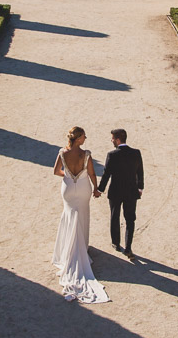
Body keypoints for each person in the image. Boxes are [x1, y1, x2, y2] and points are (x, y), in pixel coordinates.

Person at [51, 126, 109, 303]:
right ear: (77, 139)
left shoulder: (62, 153)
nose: (86, 138)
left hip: (68, 189)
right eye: (84, 136)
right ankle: (81, 247)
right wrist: (97, 190)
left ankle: (66, 249)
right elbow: (91, 174)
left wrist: (68, 175)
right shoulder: (86, 155)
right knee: (82, 216)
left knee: (69, 216)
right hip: (83, 188)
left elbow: (56, 171)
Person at [95, 127, 144, 263]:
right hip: (131, 192)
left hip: (115, 191)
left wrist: (100, 190)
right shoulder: (136, 153)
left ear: (117, 140)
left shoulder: (112, 155)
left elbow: (106, 174)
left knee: (114, 216)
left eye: (112, 139)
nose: (111, 141)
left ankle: (116, 243)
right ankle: (128, 247)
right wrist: (140, 187)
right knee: (130, 219)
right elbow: (140, 171)